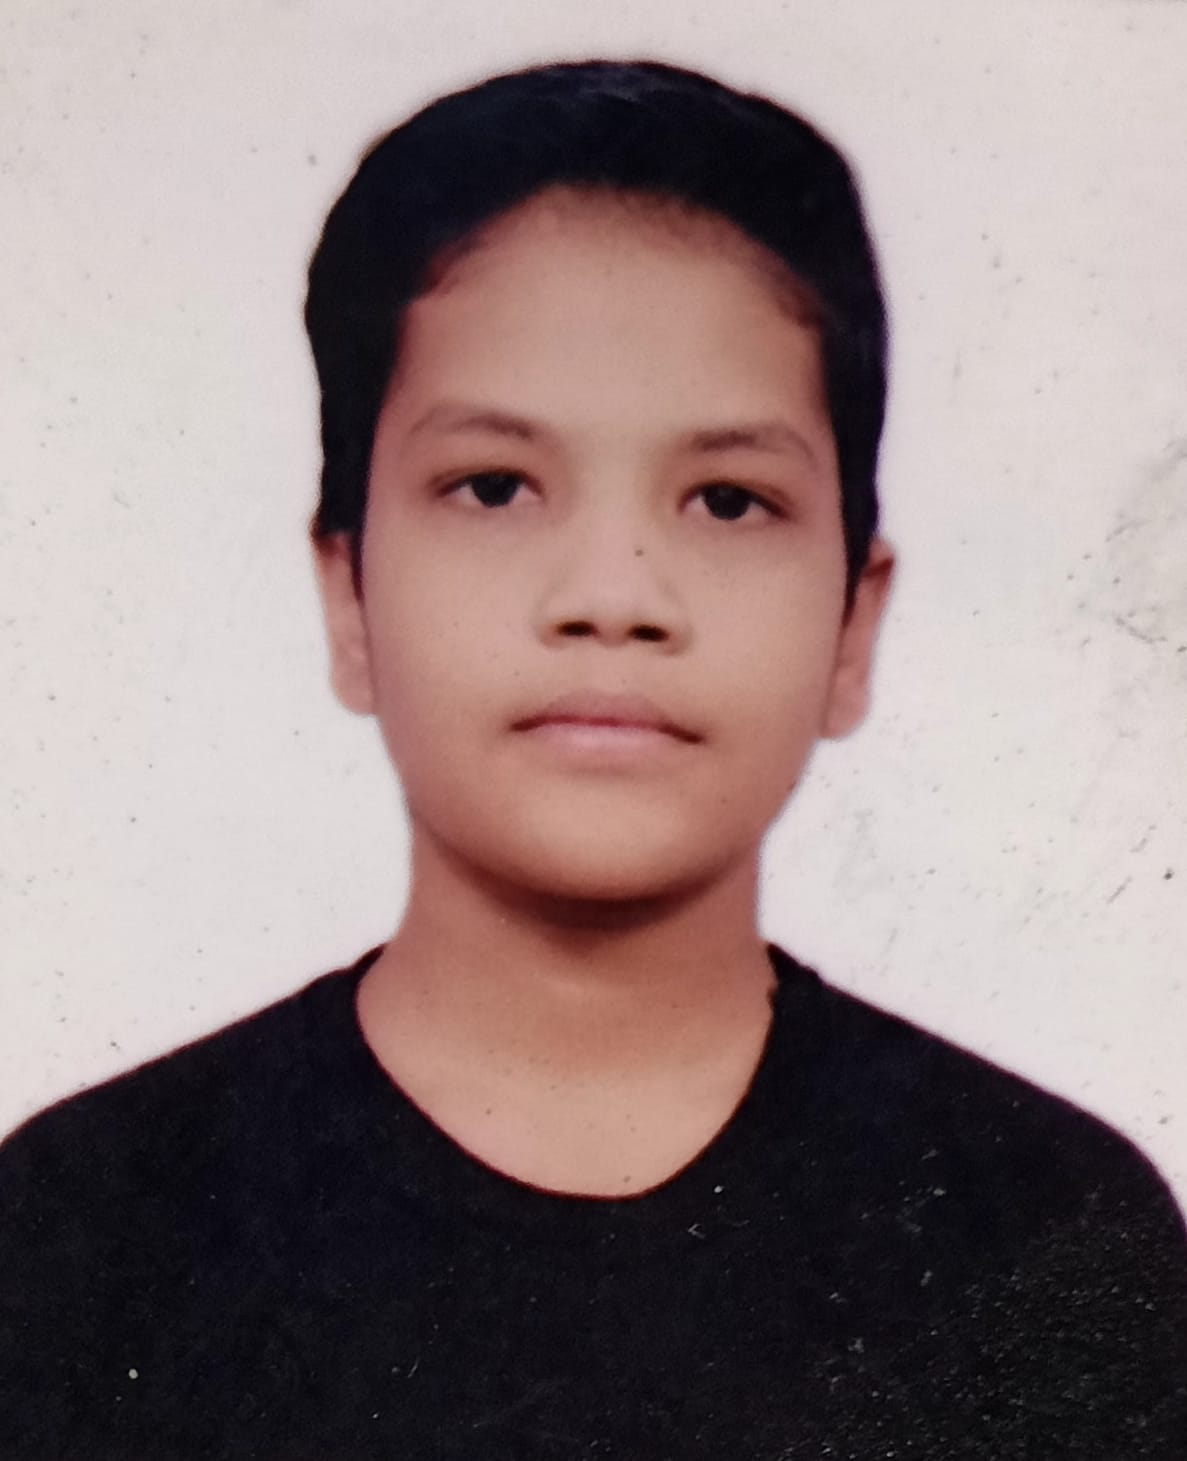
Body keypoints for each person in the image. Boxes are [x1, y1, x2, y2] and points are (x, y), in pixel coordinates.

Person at [1, 58, 1183, 1461]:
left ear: (853, 625)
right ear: (348, 597)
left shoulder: (1046, 1231)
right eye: (495, 486)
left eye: (727, 500)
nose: (614, 594)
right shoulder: (87, 1233)